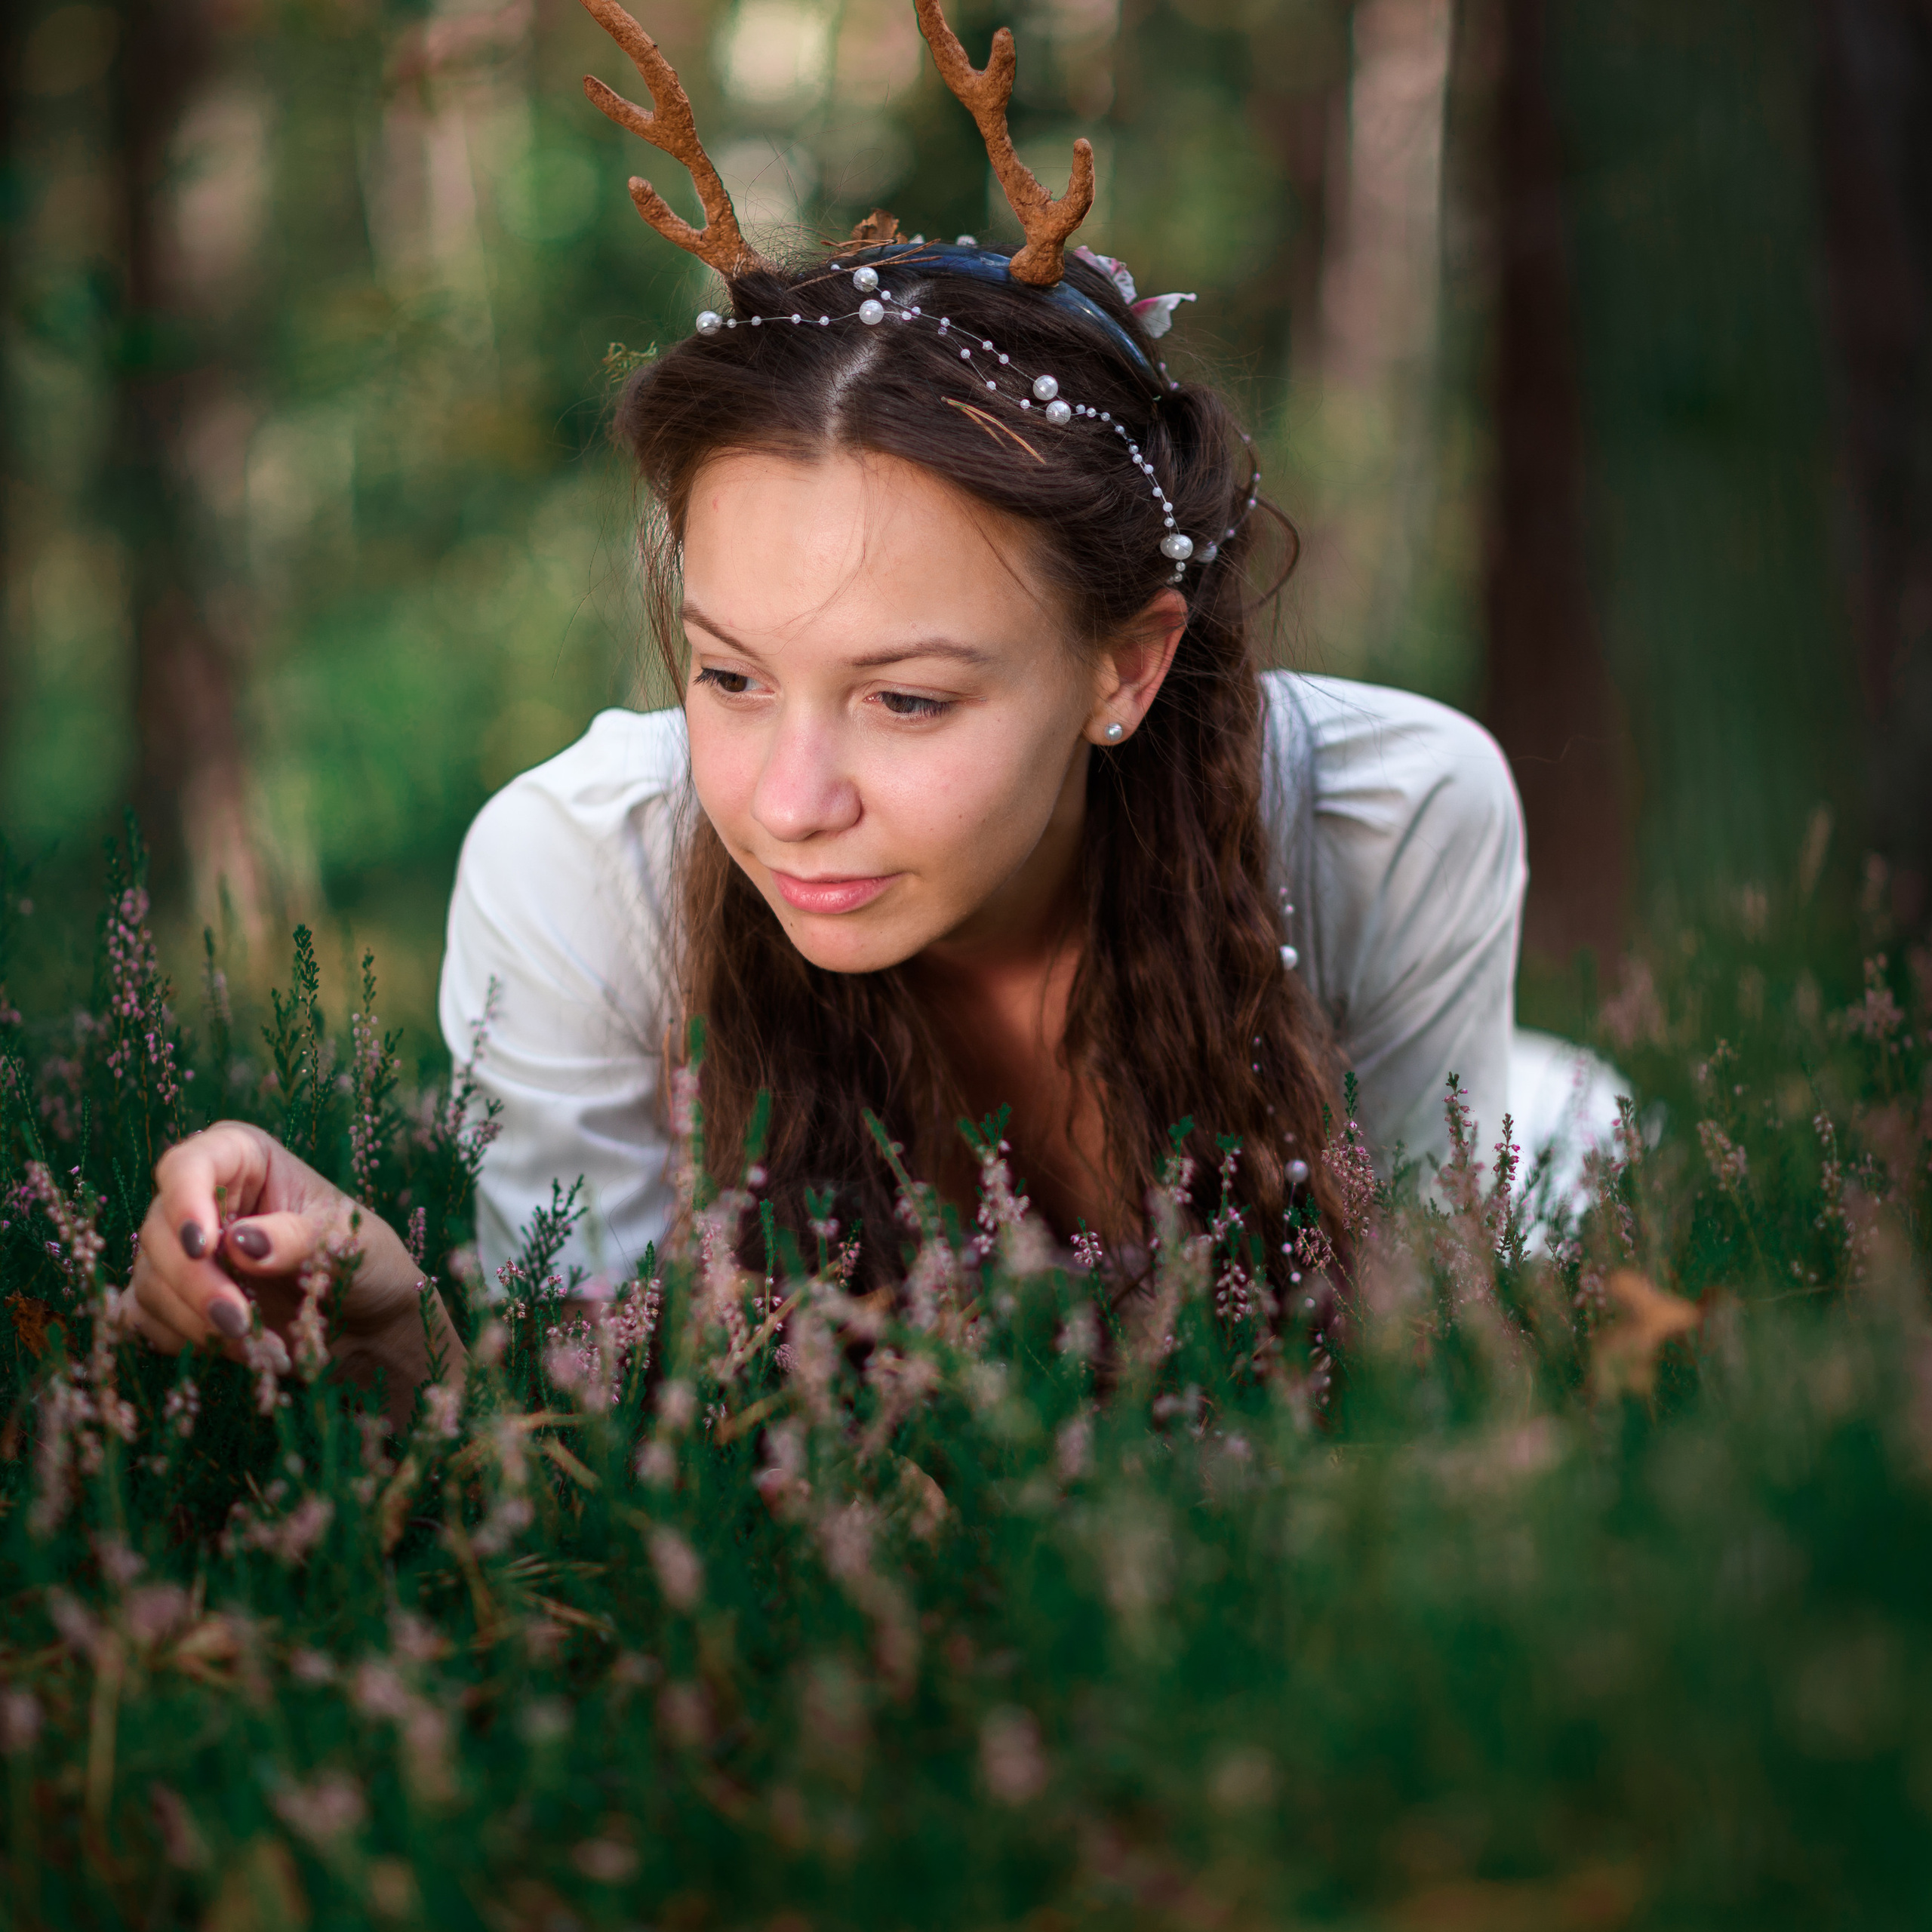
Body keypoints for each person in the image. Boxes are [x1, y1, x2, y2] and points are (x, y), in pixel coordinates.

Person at [128, 0, 1604, 1401]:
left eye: (904, 699)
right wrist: (391, 1318)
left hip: (1556, 1144)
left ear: (1125, 664)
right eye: (728, 676)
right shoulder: (582, 874)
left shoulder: (1380, 819)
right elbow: (595, 1434)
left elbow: (1427, 1363)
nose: (786, 800)